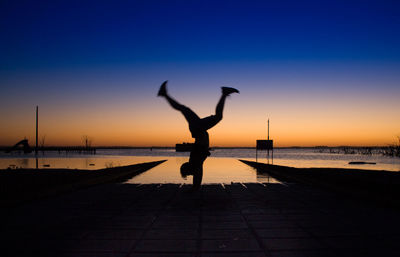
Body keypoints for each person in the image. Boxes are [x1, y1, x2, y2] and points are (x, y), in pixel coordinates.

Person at [158, 80, 239, 189]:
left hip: (198, 128)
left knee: (186, 110)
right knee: (187, 110)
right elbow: (198, 174)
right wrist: (195, 187)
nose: (185, 164)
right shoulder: (196, 163)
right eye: (185, 167)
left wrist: (195, 187)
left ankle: (164, 94)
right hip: (198, 128)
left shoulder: (195, 161)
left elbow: (197, 174)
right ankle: (224, 94)